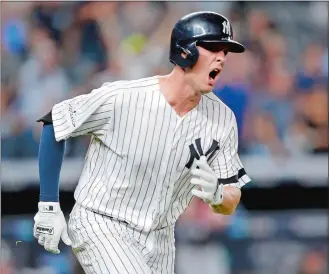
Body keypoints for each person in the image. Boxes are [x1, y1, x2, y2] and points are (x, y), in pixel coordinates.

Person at [33, 11, 251, 274]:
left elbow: (232, 194)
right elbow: (55, 121)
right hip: (103, 223)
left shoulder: (222, 119)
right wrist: (48, 204)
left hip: (160, 237)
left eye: (225, 51)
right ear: (185, 52)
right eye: (213, 48)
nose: (221, 58)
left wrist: (218, 195)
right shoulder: (125, 97)